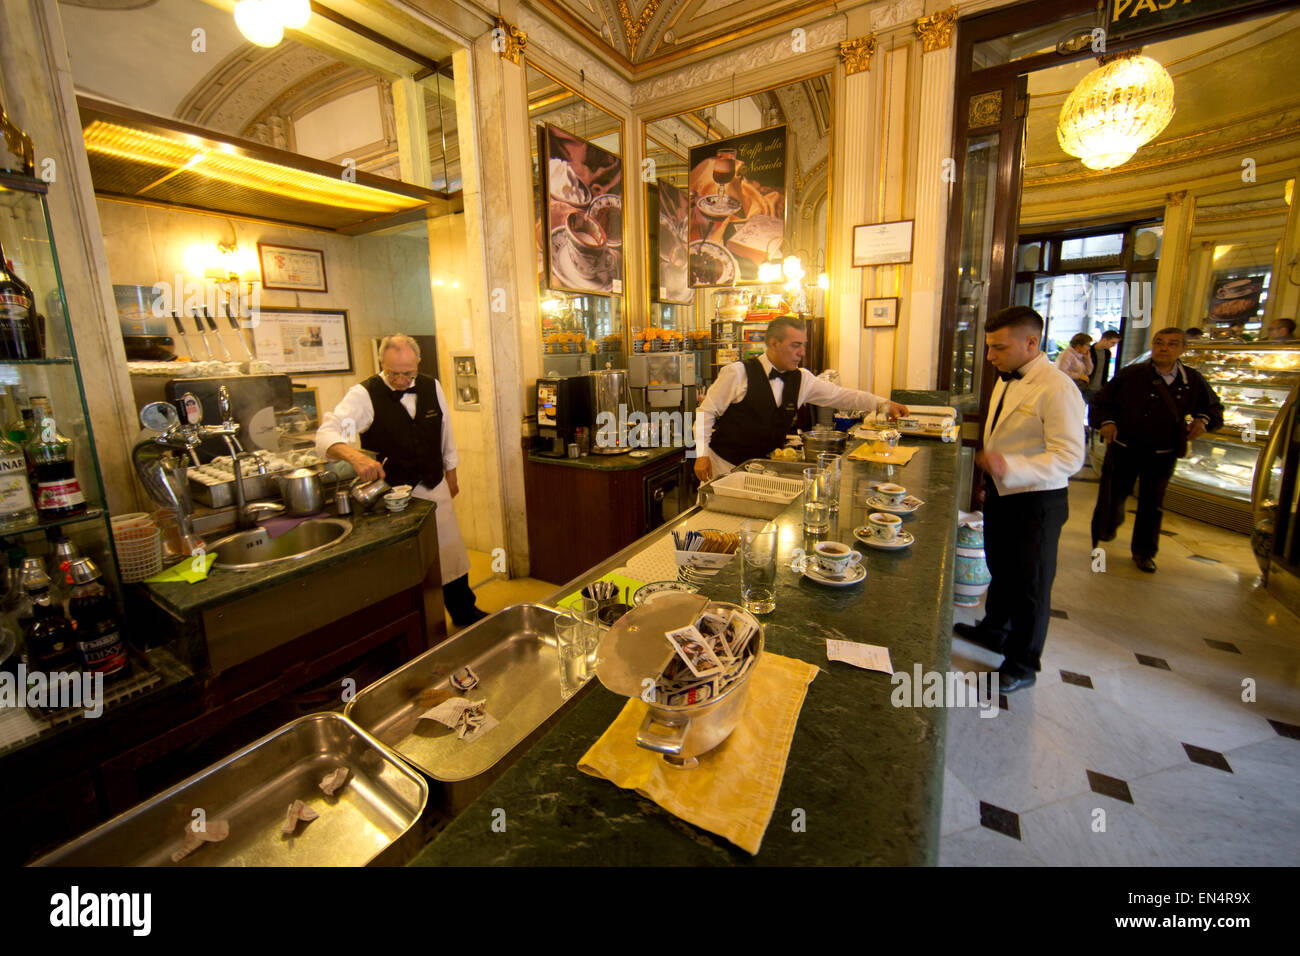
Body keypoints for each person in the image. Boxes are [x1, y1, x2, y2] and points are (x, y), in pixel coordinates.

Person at [952, 306, 1084, 693]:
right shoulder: (1007, 378)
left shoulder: (1058, 388)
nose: (990, 356)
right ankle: (995, 631)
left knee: (1031, 584)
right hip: (1002, 492)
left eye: (999, 348)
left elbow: (1069, 457)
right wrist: (991, 479)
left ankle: (1023, 664)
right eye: (989, 347)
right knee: (1001, 568)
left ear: (1031, 342)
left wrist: (1008, 466)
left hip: (1037, 502)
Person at [316, 334, 487, 627]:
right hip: (393, 494)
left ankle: (463, 611)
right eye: (394, 373)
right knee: (407, 562)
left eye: (408, 373)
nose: (401, 380)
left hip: (434, 483)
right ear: (382, 363)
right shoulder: (363, 394)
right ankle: (418, 624)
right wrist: (355, 457)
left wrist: (452, 473)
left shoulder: (431, 385)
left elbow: (445, 431)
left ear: (418, 363)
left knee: (450, 551)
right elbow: (325, 434)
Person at [692, 315, 907, 480]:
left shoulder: (802, 379)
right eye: (795, 345)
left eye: (803, 345)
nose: (802, 352)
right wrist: (701, 455)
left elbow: (841, 396)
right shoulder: (737, 372)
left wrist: (882, 403)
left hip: (765, 470)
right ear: (774, 344)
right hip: (724, 466)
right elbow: (706, 412)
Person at [1089, 327, 1224, 574]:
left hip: (1163, 452)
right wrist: (1107, 422)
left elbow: (1214, 410)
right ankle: (1102, 535)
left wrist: (1202, 421)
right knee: (1112, 497)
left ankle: (1144, 552)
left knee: (1152, 505)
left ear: (1183, 349)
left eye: (1172, 344)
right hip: (1124, 448)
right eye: (1159, 342)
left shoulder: (1192, 380)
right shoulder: (1131, 374)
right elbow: (1101, 402)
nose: (1164, 348)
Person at [1086, 329, 1121, 400]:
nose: (1113, 345)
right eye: (1112, 342)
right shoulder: (1089, 351)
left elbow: (1105, 370)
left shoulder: (1107, 353)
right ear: (1104, 340)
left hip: (1099, 387)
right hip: (1087, 386)